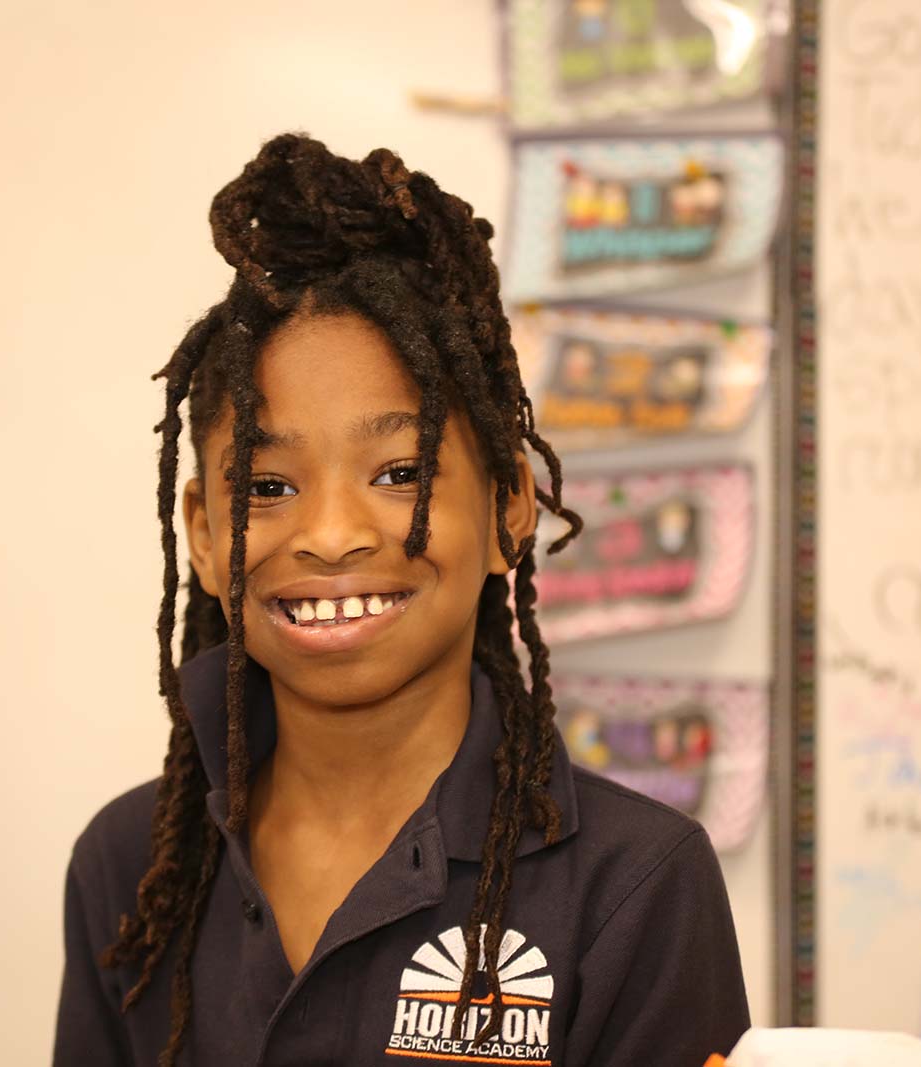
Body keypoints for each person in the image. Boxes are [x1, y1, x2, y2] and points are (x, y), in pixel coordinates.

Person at [52, 134, 750, 1066]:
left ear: (509, 503)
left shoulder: (634, 883)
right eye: (266, 486)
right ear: (205, 534)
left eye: (398, 471)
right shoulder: (132, 862)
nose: (331, 534)